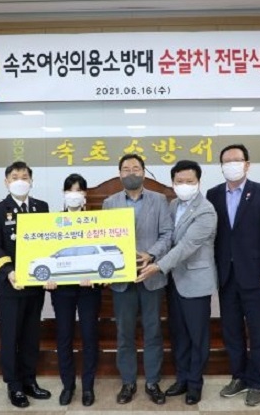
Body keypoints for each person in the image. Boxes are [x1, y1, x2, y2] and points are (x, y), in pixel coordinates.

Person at [206, 144, 260, 407]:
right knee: (232, 332)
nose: (232, 165)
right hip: (226, 276)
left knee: (258, 332)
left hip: (256, 275)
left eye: (236, 160)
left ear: (247, 164)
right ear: (221, 167)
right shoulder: (213, 194)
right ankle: (239, 377)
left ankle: (257, 382)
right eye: (226, 161)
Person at [139, 160, 217, 405]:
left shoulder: (206, 210)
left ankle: (195, 383)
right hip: (174, 281)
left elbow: (186, 246)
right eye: (179, 181)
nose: (184, 185)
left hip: (196, 281)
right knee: (179, 334)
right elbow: (167, 237)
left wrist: (157, 265)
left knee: (197, 336)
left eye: (189, 181)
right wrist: (151, 254)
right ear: (173, 183)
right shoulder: (172, 205)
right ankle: (182, 378)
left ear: (198, 182)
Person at [102, 153, 173, 405]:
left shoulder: (159, 200)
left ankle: (152, 381)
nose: (131, 172)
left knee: (153, 331)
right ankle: (128, 382)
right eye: (126, 169)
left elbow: (167, 234)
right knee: (125, 333)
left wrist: (151, 254)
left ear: (143, 172)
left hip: (151, 276)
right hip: (122, 279)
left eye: (135, 168)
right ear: (119, 174)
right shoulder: (109, 203)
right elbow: (103, 238)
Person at [0, 161, 51, 409]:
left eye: (24, 176)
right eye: (15, 177)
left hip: (35, 285)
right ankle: (14, 385)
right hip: (11, 284)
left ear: (31, 181)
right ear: (6, 182)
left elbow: (48, 242)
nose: (20, 180)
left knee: (31, 335)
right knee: (11, 336)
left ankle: (29, 380)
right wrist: (9, 272)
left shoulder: (41, 207)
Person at [44, 173, 101, 407]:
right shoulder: (53, 222)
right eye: (70, 190)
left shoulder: (96, 222)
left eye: (78, 190)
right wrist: (47, 279)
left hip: (89, 290)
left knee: (89, 336)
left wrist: (97, 278)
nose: (74, 195)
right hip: (62, 290)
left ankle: (88, 386)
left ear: (85, 194)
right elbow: (45, 253)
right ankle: (68, 385)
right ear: (64, 194)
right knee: (64, 336)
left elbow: (101, 254)